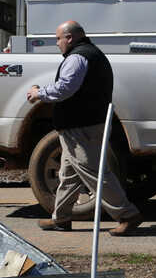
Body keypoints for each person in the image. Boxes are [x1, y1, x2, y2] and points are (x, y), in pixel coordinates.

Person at [27, 20, 143, 236]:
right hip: (84, 126)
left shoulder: (78, 57)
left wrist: (38, 93)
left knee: (95, 174)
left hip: (81, 127)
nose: (57, 44)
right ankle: (61, 218)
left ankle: (127, 215)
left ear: (69, 38)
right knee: (68, 174)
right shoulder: (91, 53)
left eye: (58, 39)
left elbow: (64, 88)